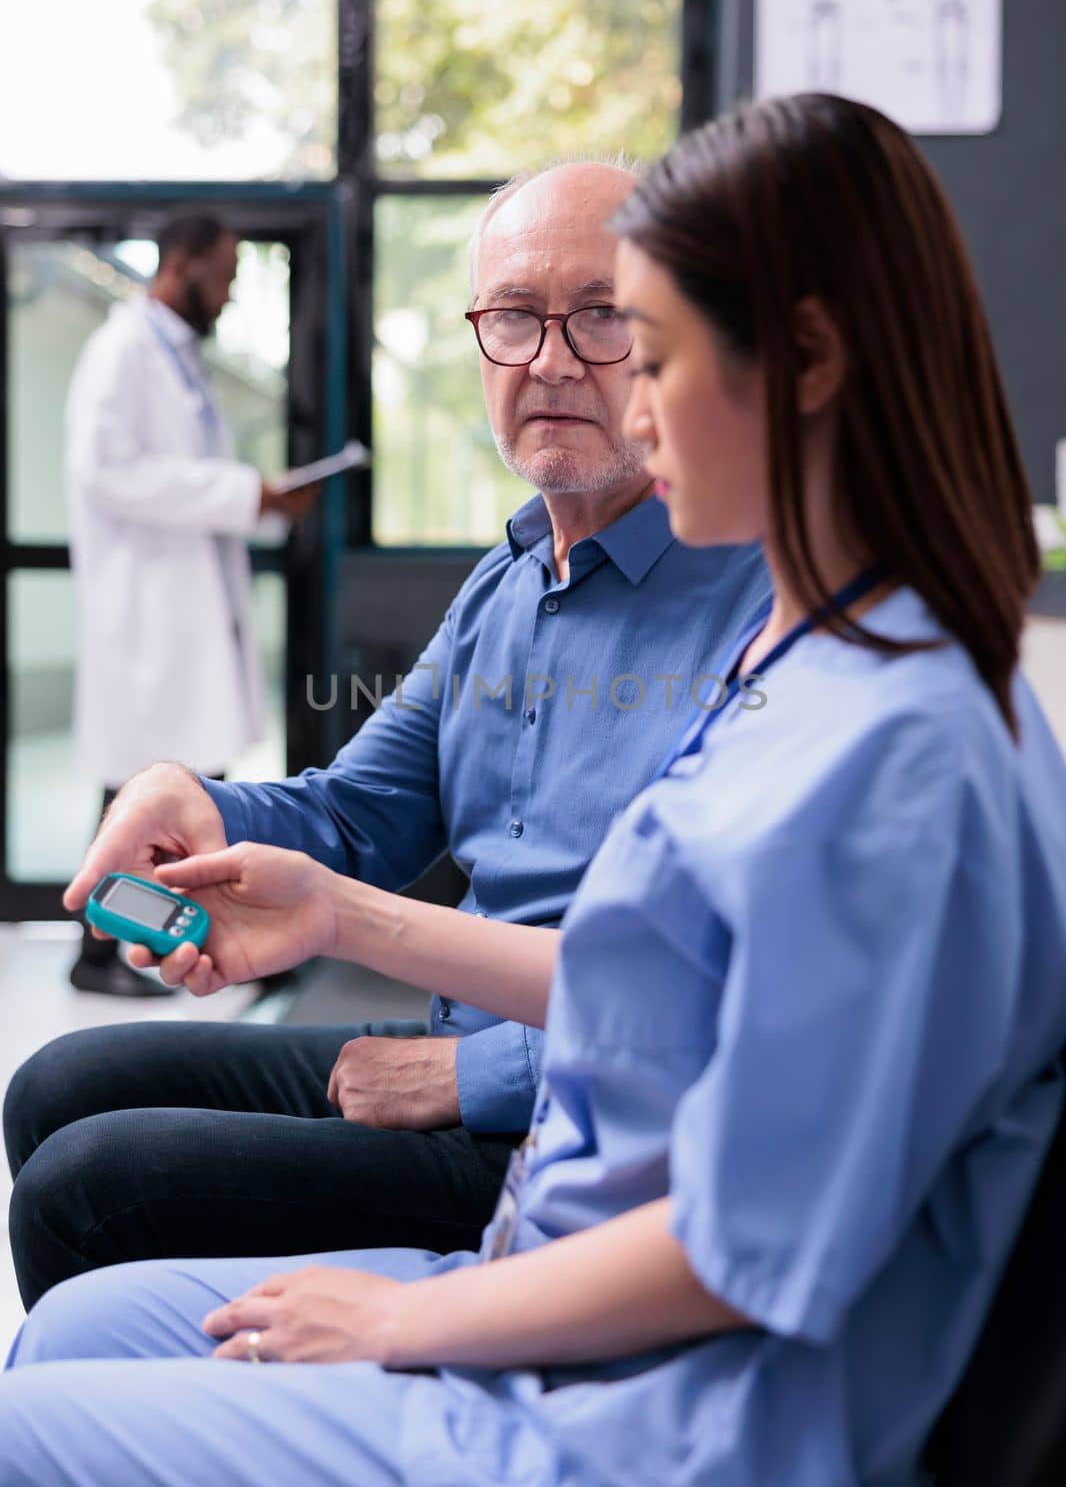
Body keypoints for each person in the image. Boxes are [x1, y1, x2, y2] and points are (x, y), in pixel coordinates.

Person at [3, 91, 1064, 1487]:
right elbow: (646, 964)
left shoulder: (880, 740)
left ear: (799, 361)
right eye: (516, 320)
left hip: (621, 1401)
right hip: (558, 1261)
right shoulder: (743, 638)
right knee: (71, 1294)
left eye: (638, 337)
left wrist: (411, 1307)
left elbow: (756, 1237)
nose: (598, 385)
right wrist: (315, 898)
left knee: (50, 1347)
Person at [4, 162, 770, 1307]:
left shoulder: (761, 609)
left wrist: (481, 1075)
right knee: (58, 1083)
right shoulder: (506, 585)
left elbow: (747, 992)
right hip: (461, 1037)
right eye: (513, 316)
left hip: (585, 1116)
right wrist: (196, 803)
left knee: (90, 1182)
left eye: (600, 315)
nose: (550, 360)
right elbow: (357, 813)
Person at [64, 212, 318, 997]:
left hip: (182, 610)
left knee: (185, 783)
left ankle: (201, 942)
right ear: (183, 264)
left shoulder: (175, 357)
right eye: (227, 275)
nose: (232, 293)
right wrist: (249, 492)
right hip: (147, 614)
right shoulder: (121, 351)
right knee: (143, 788)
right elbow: (107, 472)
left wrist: (253, 497)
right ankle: (100, 953)